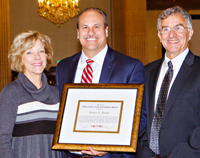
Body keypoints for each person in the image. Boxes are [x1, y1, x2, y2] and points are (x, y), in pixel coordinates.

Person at [56, 7, 146, 158]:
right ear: (78, 33)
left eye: (96, 26)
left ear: (106, 31)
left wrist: (111, 145)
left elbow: (140, 118)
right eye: (85, 27)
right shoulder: (63, 67)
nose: (90, 32)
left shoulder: (130, 67)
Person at [137, 6, 200, 158]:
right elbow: (139, 118)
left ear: (190, 33)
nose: (171, 35)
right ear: (159, 35)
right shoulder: (146, 71)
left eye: (178, 28)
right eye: (165, 29)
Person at [0, 30, 62, 158]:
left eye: (41, 51)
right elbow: (2, 140)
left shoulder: (55, 94)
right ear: (19, 58)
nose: (37, 57)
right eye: (29, 52)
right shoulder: (11, 92)